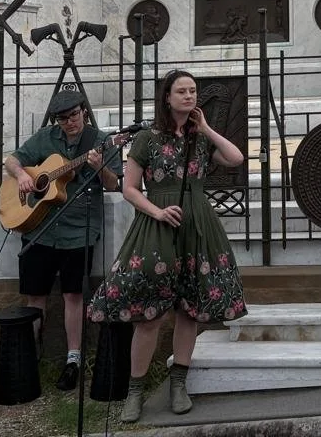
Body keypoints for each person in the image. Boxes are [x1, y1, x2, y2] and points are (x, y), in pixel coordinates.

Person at [88, 69, 247, 422]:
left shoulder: (201, 138)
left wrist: (205, 128)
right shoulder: (147, 138)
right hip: (157, 224)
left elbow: (236, 158)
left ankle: (178, 384)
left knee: (188, 310)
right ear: (167, 97)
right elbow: (129, 188)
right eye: (183, 91)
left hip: (197, 225)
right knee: (149, 315)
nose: (190, 97)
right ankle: (135, 391)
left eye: (193, 91)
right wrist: (158, 212)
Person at [3, 88, 120, 391]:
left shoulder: (101, 141)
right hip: (40, 228)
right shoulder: (46, 138)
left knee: (73, 295)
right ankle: (31, 356)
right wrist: (23, 176)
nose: (70, 122)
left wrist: (100, 166)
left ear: (83, 110)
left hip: (78, 229)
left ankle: (73, 360)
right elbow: (12, 160)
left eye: (74, 115)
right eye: (63, 118)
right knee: (35, 295)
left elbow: (113, 184)